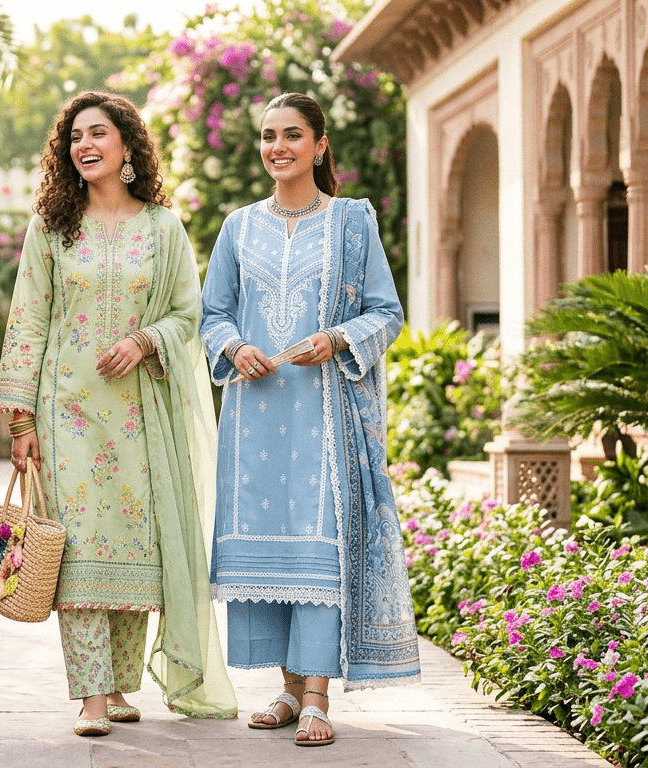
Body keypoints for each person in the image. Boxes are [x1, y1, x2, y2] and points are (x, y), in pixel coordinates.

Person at [0, 91, 237, 736]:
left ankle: (121, 686)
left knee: (134, 549)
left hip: (139, 414)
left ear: (127, 145)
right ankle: (92, 697)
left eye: (98, 133)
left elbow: (188, 313)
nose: (85, 145)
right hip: (66, 413)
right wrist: (21, 419)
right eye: (75, 137)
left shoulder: (162, 228)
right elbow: (28, 321)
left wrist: (144, 341)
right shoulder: (51, 229)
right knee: (77, 550)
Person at [199, 92, 421, 747]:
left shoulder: (351, 222)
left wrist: (337, 339)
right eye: (269, 135)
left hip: (324, 412)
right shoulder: (239, 227)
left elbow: (386, 312)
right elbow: (214, 314)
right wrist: (234, 347)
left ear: (319, 145)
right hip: (255, 414)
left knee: (318, 538)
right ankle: (289, 689)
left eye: (292, 134)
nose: (279, 147)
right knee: (272, 545)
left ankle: (318, 696)